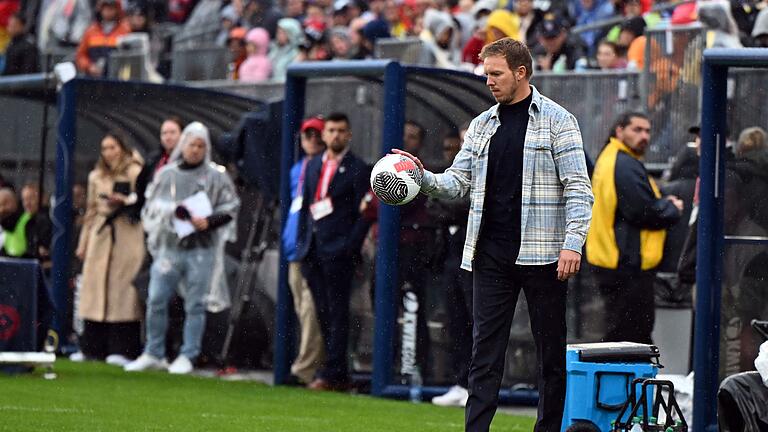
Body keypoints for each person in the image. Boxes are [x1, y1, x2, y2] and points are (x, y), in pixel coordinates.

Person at [394, 38, 593, 431]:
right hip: (490, 256)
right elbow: (457, 182)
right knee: (484, 355)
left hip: (544, 256)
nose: (489, 81)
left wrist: (573, 243)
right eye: (486, 74)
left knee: (550, 355)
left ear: (521, 73)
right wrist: (421, 177)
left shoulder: (559, 120)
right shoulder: (483, 124)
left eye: (496, 73)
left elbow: (578, 188)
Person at [125, 122, 240, 375]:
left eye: (201, 145)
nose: (196, 150)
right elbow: (151, 206)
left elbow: (230, 208)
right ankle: (153, 351)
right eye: (192, 144)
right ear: (182, 146)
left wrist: (207, 222)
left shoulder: (216, 176)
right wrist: (171, 213)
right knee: (156, 298)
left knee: (196, 303)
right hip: (169, 247)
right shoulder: (166, 174)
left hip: (201, 248)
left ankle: (189, 353)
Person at [586, 112, 682, 345]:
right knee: (631, 335)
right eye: (637, 130)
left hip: (614, 261)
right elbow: (641, 211)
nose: (644, 136)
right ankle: (628, 382)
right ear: (619, 131)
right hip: (626, 265)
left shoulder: (613, 158)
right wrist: (671, 209)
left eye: (648, 131)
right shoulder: (624, 164)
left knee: (624, 332)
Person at [295, 112, 370, 391]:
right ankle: (331, 368)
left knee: (338, 313)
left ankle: (335, 372)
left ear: (349, 134)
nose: (335, 135)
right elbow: (306, 207)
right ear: (324, 135)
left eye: (341, 130)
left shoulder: (357, 168)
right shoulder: (313, 164)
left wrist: (349, 245)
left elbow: (364, 212)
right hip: (313, 249)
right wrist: (303, 241)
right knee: (322, 312)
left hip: (339, 250)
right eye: (331, 130)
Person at [74, 131, 145, 365]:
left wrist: (125, 201)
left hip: (127, 234)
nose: (109, 153)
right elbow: (91, 209)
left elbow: (144, 199)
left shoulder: (135, 172)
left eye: (113, 147)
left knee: (123, 293)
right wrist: (84, 242)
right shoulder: (96, 176)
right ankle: (92, 347)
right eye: (105, 148)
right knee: (94, 291)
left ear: (122, 148)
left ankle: (122, 348)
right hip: (100, 234)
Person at [282, 116, 327, 385]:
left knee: (312, 310)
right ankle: (311, 366)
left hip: (312, 249)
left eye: (315, 135)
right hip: (293, 248)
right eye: (306, 135)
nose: (311, 140)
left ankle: (304, 369)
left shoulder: (323, 166)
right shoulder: (297, 168)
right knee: (302, 309)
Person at [431, 125, 473, 408]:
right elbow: (436, 206)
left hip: (479, 258)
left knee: (477, 322)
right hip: (452, 256)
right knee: (456, 321)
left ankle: (476, 383)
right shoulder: (455, 170)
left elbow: (466, 204)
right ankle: (460, 382)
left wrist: (450, 207)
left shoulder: (486, 168)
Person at [75, 0, 130, 77]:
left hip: (116, 79)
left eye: (111, 8)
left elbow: (130, 57)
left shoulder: (125, 31)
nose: (108, 12)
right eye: (105, 8)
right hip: (92, 78)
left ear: (117, 10)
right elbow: (80, 55)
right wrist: (89, 66)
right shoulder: (91, 31)